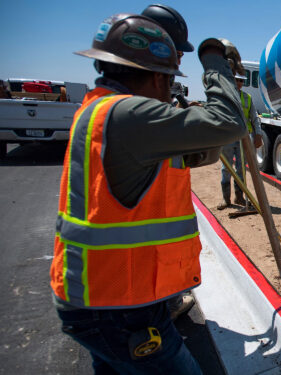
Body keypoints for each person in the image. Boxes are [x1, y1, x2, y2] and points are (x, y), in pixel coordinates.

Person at [50, 13, 247, 374]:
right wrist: (214, 60)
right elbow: (229, 123)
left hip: (108, 296)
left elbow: (181, 157)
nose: (170, 89)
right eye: (170, 78)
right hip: (118, 307)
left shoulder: (101, 108)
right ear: (158, 76)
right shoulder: (128, 114)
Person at [142, 2, 199, 321]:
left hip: (130, 278)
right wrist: (216, 62)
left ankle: (169, 296)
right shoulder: (141, 115)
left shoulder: (120, 108)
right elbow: (224, 126)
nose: (180, 60)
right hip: (128, 295)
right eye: (177, 52)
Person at [217, 66, 263, 211]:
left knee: (241, 169)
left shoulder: (247, 98)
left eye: (241, 81)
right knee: (226, 168)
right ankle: (226, 199)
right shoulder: (225, 97)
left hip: (244, 138)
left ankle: (239, 196)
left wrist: (258, 134)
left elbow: (254, 118)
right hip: (228, 137)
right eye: (236, 80)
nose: (239, 84)